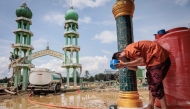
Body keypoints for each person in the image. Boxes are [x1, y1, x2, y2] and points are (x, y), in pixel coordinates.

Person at [112, 40, 171, 109]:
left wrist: (124, 64)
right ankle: (150, 105)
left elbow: (141, 60)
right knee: (151, 82)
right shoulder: (130, 56)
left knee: (154, 84)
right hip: (153, 62)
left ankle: (164, 107)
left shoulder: (129, 49)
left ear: (119, 55)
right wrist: (124, 65)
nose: (122, 61)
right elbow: (135, 68)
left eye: (120, 60)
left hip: (158, 57)